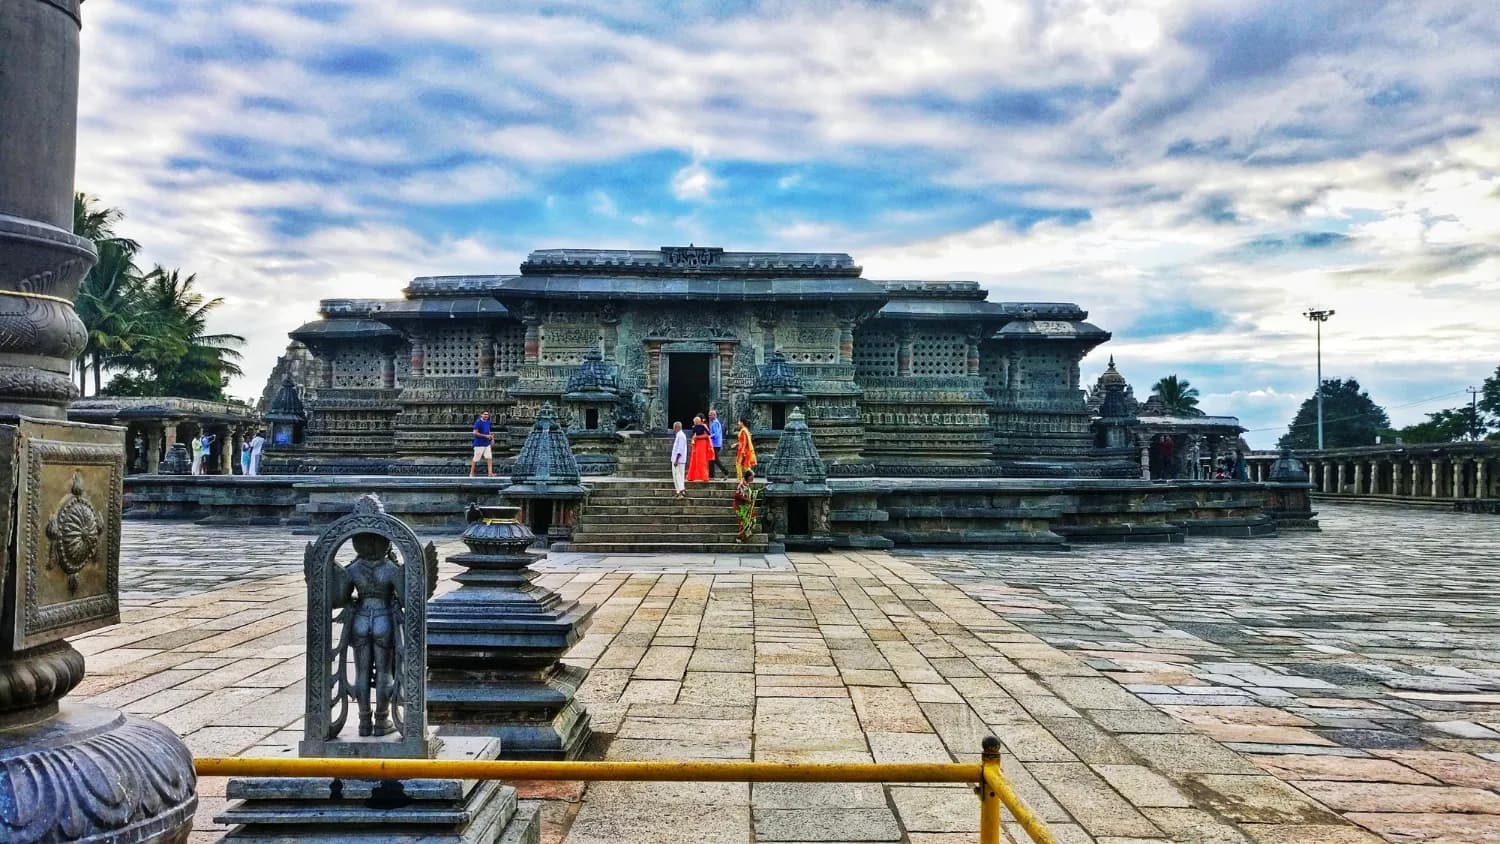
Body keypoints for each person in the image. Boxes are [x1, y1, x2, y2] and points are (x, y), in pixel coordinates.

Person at [733, 469, 759, 542]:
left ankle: (746, 534)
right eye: (752, 477)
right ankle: (740, 538)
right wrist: (747, 500)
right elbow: (737, 495)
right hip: (741, 507)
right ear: (748, 477)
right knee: (743, 522)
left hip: (746, 507)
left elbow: (747, 493)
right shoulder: (742, 484)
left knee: (752, 519)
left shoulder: (746, 483)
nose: (753, 478)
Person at [686, 415, 713, 482]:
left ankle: (704, 476)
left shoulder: (704, 426)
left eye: (696, 421)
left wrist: (697, 437)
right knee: (694, 460)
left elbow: (707, 435)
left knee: (702, 460)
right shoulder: (695, 427)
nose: (695, 423)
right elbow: (695, 434)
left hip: (702, 444)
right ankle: (691, 476)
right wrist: (694, 439)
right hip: (696, 445)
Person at [469, 410, 496, 477]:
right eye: (485, 414)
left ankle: (490, 473)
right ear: (481, 415)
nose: (486, 416)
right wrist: (485, 436)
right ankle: (471, 473)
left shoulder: (488, 422)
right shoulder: (478, 422)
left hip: (487, 443)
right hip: (479, 444)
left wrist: (492, 438)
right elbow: (475, 432)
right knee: (476, 458)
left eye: (487, 414)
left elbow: (488, 431)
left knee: (489, 458)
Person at [669, 421, 689, 498]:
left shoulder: (681, 436)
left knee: (678, 475)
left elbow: (680, 449)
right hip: (677, 459)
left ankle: (681, 490)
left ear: (676, 427)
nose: (673, 429)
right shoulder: (679, 435)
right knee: (676, 475)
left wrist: (676, 460)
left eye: (674, 427)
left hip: (678, 460)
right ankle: (678, 491)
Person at [707, 409, 727, 478]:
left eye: (710, 415)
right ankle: (711, 475)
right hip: (716, 444)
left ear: (714, 415)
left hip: (715, 444)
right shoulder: (715, 422)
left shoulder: (715, 423)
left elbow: (716, 434)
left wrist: (709, 436)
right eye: (709, 415)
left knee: (714, 459)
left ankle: (725, 471)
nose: (709, 416)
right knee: (711, 459)